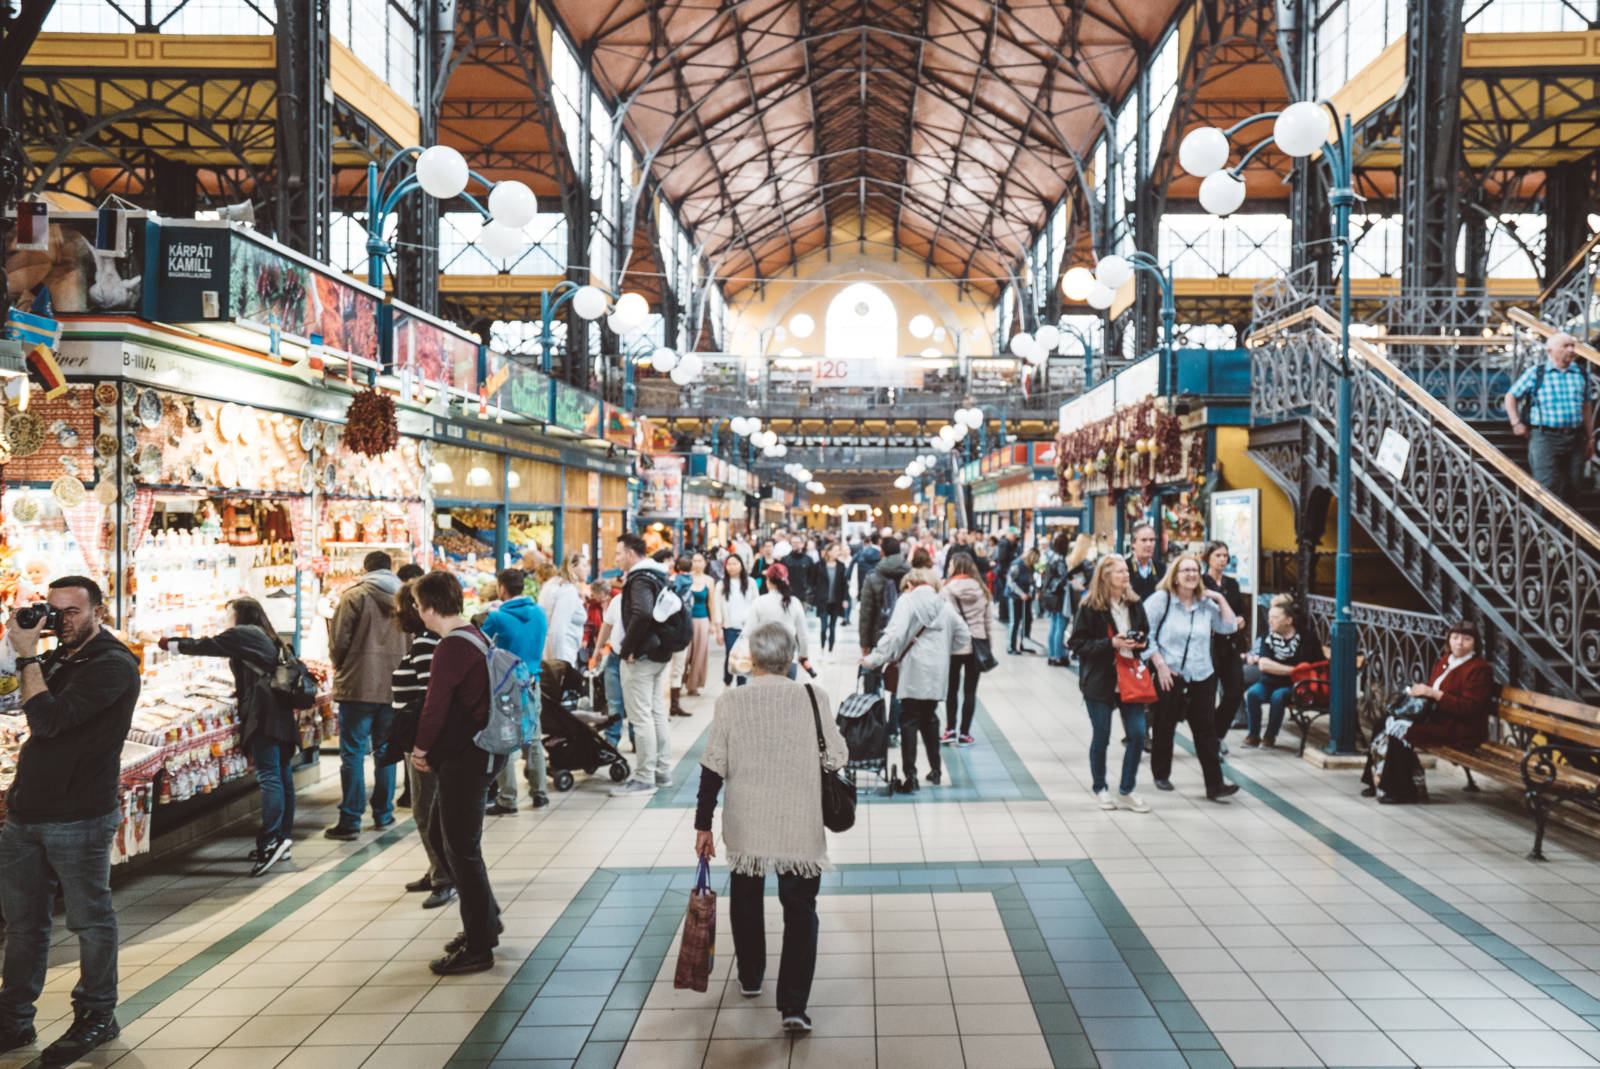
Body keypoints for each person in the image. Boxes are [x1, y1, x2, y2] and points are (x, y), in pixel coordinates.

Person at [0, 577, 140, 1063]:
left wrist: (27, 656)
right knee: (23, 925)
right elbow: (12, 701)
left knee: (90, 920)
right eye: (55, 611)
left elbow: (50, 720)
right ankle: (14, 1021)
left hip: (79, 814)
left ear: (99, 610)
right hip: (26, 812)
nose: (63, 621)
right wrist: (13, 650)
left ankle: (97, 1015)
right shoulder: (58, 654)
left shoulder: (113, 665)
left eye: (73, 612)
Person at [696, 622, 848, 1034]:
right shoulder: (814, 697)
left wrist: (703, 825)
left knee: (746, 897)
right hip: (800, 822)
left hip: (747, 821)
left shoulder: (731, 701)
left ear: (754, 657)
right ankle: (794, 1006)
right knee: (800, 909)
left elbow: (713, 766)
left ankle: (750, 976)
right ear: (791, 655)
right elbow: (837, 756)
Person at [409, 572, 504, 975]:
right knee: (438, 832)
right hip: (479, 752)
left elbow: (435, 705)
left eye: (417, 604)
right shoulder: (475, 635)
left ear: (430, 606)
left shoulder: (451, 646)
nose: (415, 611)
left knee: (462, 850)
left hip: (470, 756)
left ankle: (479, 946)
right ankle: (487, 921)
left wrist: (420, 748)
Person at [160, 597, 298, 876]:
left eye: (228, 615)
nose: (225, 620)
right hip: (280, 712)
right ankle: (282, 836)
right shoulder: (265, 634)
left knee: (270, 775)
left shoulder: (243, 633)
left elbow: (207, 645)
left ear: (240, 615)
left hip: (265, 715)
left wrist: (166, 643)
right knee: (282, 775)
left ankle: (271, 841)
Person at [1140, 555, 1241, 801]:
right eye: (1185, 570)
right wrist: (1160, 665)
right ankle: (1161, 774)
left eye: (1195, 570)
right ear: (1175, 575)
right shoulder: (1160, 601)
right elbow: (1144, 636)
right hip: (1170, 674)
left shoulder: (1206, 604)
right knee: (1165, 725)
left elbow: (1229, 627)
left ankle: (1215, 785)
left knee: (1206, 730)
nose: (1191, 575)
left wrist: (1218, 597)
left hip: (1202, 673)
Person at [325, 551, 409, 840]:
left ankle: (350, 820)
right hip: (394, 687)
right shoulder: (406, 599)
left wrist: (345, 665)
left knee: (352, 755)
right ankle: (383, 814)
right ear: (392, 568)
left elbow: (338, 642)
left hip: (358, 687)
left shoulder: (354, 597)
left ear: (365, 569)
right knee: (385, 754)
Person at [862, 568, 970, 792]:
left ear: (911, 584)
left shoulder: (907, 601)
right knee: (930, 718)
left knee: (908, 719)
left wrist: (873, 659)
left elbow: (894, 634)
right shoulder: (945, 606)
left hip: (912, 670)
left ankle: (910, 776)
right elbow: (964, 636)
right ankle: (936, 770)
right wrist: (943, 651)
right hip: (936, 673)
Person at [1361, 621, 1493, 803]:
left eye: (1466, 639)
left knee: (1403, 732)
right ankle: (1374, 781)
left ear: (1475, 643)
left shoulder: (1479, 668)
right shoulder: (1445, 660)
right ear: (1449, 640)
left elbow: (1468, 707)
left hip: (1460, 726)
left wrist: (1434, 694)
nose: (1459, 643)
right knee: (1383, 722)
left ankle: (1401, 790)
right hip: (1436, 716)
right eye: (1455, 638)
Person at [1067, 556, 1152, 812]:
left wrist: (1140, 643)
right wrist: (1111, 643)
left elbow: (1145, 631)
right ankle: (1100, 787)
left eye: (1127, 571)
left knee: (1137, 734)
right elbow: (1076, 644)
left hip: (1130, 680)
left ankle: (1126, 789)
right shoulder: (1091, 607)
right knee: (1101, 736)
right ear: (1105, 576)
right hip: (1101, 681)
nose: (1126, 575)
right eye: (1119, 572)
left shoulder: (1135, 604)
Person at [390, 583, 453, 908]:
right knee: (423, 808)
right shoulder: (422, 643)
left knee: (426, 810)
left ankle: (444, 876)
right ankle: (436, 869)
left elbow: (434, 698)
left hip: (424, 743)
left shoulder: (428, 644)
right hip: (417, 740)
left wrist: (423, 746)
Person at [483, 568, 550, 815]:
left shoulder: (497, 617)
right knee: (533, 738)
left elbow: (480, 644)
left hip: (505, 688)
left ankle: (508, 798)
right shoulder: (540, 614)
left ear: (502, 588)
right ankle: (540, 793)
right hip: (532, 682)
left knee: (505, 740)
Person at [612, 533, 674, 796]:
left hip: (642, 657)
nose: (615, 558)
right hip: (659, 653)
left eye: (618, 553)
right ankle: (661, 771)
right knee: (656, 712)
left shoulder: (638, 580)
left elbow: (642, 613)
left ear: (630, 553)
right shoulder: (657, 574)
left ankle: (644, 777)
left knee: (640, 716)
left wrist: (628, 649)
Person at [1505, 331, 1593, 503]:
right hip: (1545, 438)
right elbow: (1511, 396)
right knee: (1547, 486)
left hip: (1575, 438)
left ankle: (1567, 531)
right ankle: (1544, 529)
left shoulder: (1582, 374)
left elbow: (1586, 408)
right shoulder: (1536, 373)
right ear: (1550, 351)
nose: (1571, 350)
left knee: (1573, 487)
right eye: (1565, 346)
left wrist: (1590, 438)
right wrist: (1516, 423)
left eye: (1572, 346)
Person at [1241, 597, 1323, 748]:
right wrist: (1294, 670)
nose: (1270, 621)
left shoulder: (1306, 638)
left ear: (1288, 621)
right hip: (1269, 681)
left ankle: (1270, 737)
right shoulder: (1268, 636)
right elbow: (1264, 665)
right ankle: (1253, 735)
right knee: (1253, 694)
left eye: (1275, 618)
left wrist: (1285, 670)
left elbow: (1313, 665)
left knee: (1277, 697)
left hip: (1295, 685)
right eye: (1269, 617)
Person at [1201, 541, 1248, 754]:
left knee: (1235, 691)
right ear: (1208, 557)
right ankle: (1210, 740)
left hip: (1230, 645)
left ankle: (1217, 734)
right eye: (1218, 555)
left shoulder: (1232, 584)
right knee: (1207, 696)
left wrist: (1240, 621)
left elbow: (1240, 611)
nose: (1222, 559)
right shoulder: (1201, 582)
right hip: (1208, 645)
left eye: (1225, 556)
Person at [940, 555, 990, 746]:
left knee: (951, 689)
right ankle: (965, 733)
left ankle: (950, 729)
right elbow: (988, 621)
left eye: (951, 564)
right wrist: (988, 646)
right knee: (970, 691)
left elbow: (942, 619)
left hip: (953, 646)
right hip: (976, 644)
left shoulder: (946, 590)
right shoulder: (981, 589)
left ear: (957, 567)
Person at [744, 563, 813, 679]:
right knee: (787, 695)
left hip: (763, 660)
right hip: (789, 660)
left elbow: (748, 632)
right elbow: (803, 635)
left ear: (768, 581)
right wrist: (803, 655)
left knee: (765, 696)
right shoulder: (794, 602)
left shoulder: (759, 602)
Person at [857, 536, 909, 689]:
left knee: (872, 677)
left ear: (883, 553)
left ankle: (873, 708)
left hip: (878, 634)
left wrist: (865, 643)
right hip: (905, 635)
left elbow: (866, 613)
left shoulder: (873, 577)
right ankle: (896, 710)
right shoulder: (911, 575)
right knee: (900, 680)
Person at [715, 552, 758, 686]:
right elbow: (717, 608)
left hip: (747, 627)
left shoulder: (750, 583)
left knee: (744, 657)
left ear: (741, 565)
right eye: (729, 564)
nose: (732, 567)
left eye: (735, 563)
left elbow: (757, 604)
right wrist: (718, 630)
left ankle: (741, 685)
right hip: (729, 627)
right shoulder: (721, 585)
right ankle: (727, 681)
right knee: (730, 655)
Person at [1040, 532, 1073, 666]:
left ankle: (1052, 655)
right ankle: (1058, 655)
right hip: (1059, 596)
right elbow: (1063, 577)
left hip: (1050, 596)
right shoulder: (1060, 559)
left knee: (1053, 625)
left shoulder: (1051, 557)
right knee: (1060, 626)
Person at [684, 552, 715, 695]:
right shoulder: (686, 578)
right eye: (694, 561)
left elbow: (711, 603)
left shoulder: (709, 580)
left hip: (702, 620)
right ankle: (678, 683)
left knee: (700, 654)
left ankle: (693, 685)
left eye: (699, 561)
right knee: (685, 653)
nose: (697, 564)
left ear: (705, 563)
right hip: (686, 620)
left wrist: (714, 623)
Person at [1006, 547, 1039, 655]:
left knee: (1027, 620)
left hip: (1026, 597)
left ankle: (1024, 643)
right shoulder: (1017, 564)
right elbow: (1011, 582)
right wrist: (1021, 593)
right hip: (1015, 597)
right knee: (1014, 622)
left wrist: (1032, 592)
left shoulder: (1030, 566)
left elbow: (1031, 581)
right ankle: (1011, 646)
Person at [818, 543, 850, 651]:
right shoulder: (820, 565)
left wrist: (845, 599)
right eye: (836, 551)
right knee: (823, 626)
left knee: (832, 626)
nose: (838, 553)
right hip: (823, 600)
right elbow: (813, 581)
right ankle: (822, 646)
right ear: (829, 552)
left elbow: (844, 584)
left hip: (836, 600)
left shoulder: (841, 566)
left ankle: (830, 648)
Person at [1126, 522, 1161, 600]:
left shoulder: (1161, 569)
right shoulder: (1124, 568)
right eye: (1144, 540)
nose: (1148, 544)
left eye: (1152, 540)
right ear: (1133, 543)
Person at [993, 528, 1020, 623]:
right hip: (1003, 573)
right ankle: (1004, 615)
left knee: (1004, 594)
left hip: (1004, 571)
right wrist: (1005, 572)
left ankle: (1004, 614)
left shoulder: (1008, 543)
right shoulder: (1005, 543)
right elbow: (1002, 558)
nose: (1015, 537)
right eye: (1013, 535)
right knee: (1004, 594)